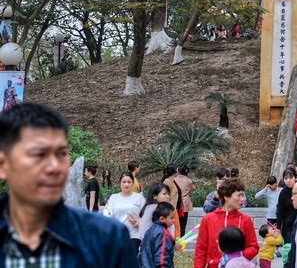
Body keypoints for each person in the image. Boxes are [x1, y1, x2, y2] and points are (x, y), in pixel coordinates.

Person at [0, 103, 137, 266]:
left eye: (61, 154)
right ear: (3, 166)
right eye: (38, 154)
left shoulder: (108, 239)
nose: (54, 167)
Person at [194, 178, 259, 268]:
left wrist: (235, 257)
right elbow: (200, 250)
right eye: (239, 195)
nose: (242, 200)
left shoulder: (246, 220)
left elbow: (253, 247)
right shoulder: (208, 219)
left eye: (243, 196)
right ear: (226, 196)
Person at [106, 171, 147, 251]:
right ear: (120, 183)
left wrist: (140, 223)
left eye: (129, 182)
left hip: (134, 236)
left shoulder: (139, 198)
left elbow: (147, 216)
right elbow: (107, 214)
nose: (126, 184)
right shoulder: (113, 197)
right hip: (117, 236)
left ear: (133, 183)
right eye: (124, 182)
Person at [140, 202, 176, 268]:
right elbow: (162, 259)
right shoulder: (163, 234)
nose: (174, 220)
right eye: (171, 218)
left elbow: (141, 253)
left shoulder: (149, 231)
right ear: (162, 219)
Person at [276, 169, 297, 243]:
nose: (288, 180)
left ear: (295, 178)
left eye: (290, 178)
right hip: (287, 226)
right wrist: (278, 227)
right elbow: (280, 210)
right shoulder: (283, 193)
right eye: (286, 178)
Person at [162, 164, 184, 238]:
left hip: (174, 209)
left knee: (177, 229)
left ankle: (177, 245)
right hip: (170, 209)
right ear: (174, 171)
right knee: (175, 229)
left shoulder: (173, 181)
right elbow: (165, 195)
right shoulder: (167, 182)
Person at [174, 164, 195, 235]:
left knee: (175, 224)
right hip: (185, 204)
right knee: (183, 224)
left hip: (176, 203)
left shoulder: (174, 179)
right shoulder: (188, 181)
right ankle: (182, 239)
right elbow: (193, 188)